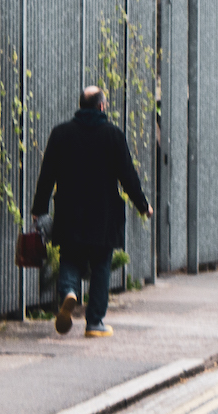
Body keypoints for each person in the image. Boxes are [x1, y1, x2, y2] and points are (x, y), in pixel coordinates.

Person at [31, 85, 152, 338]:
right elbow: (128, 177)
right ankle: (94, 322)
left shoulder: (61, 133)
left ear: (81, 105)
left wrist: (39, 209)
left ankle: (69, 293)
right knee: (100, 265)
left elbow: (47, 176)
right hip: (103, 215)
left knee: (70, 258)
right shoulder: (113, 135)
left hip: (69, 211)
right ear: (101, 106)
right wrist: (143, 206)